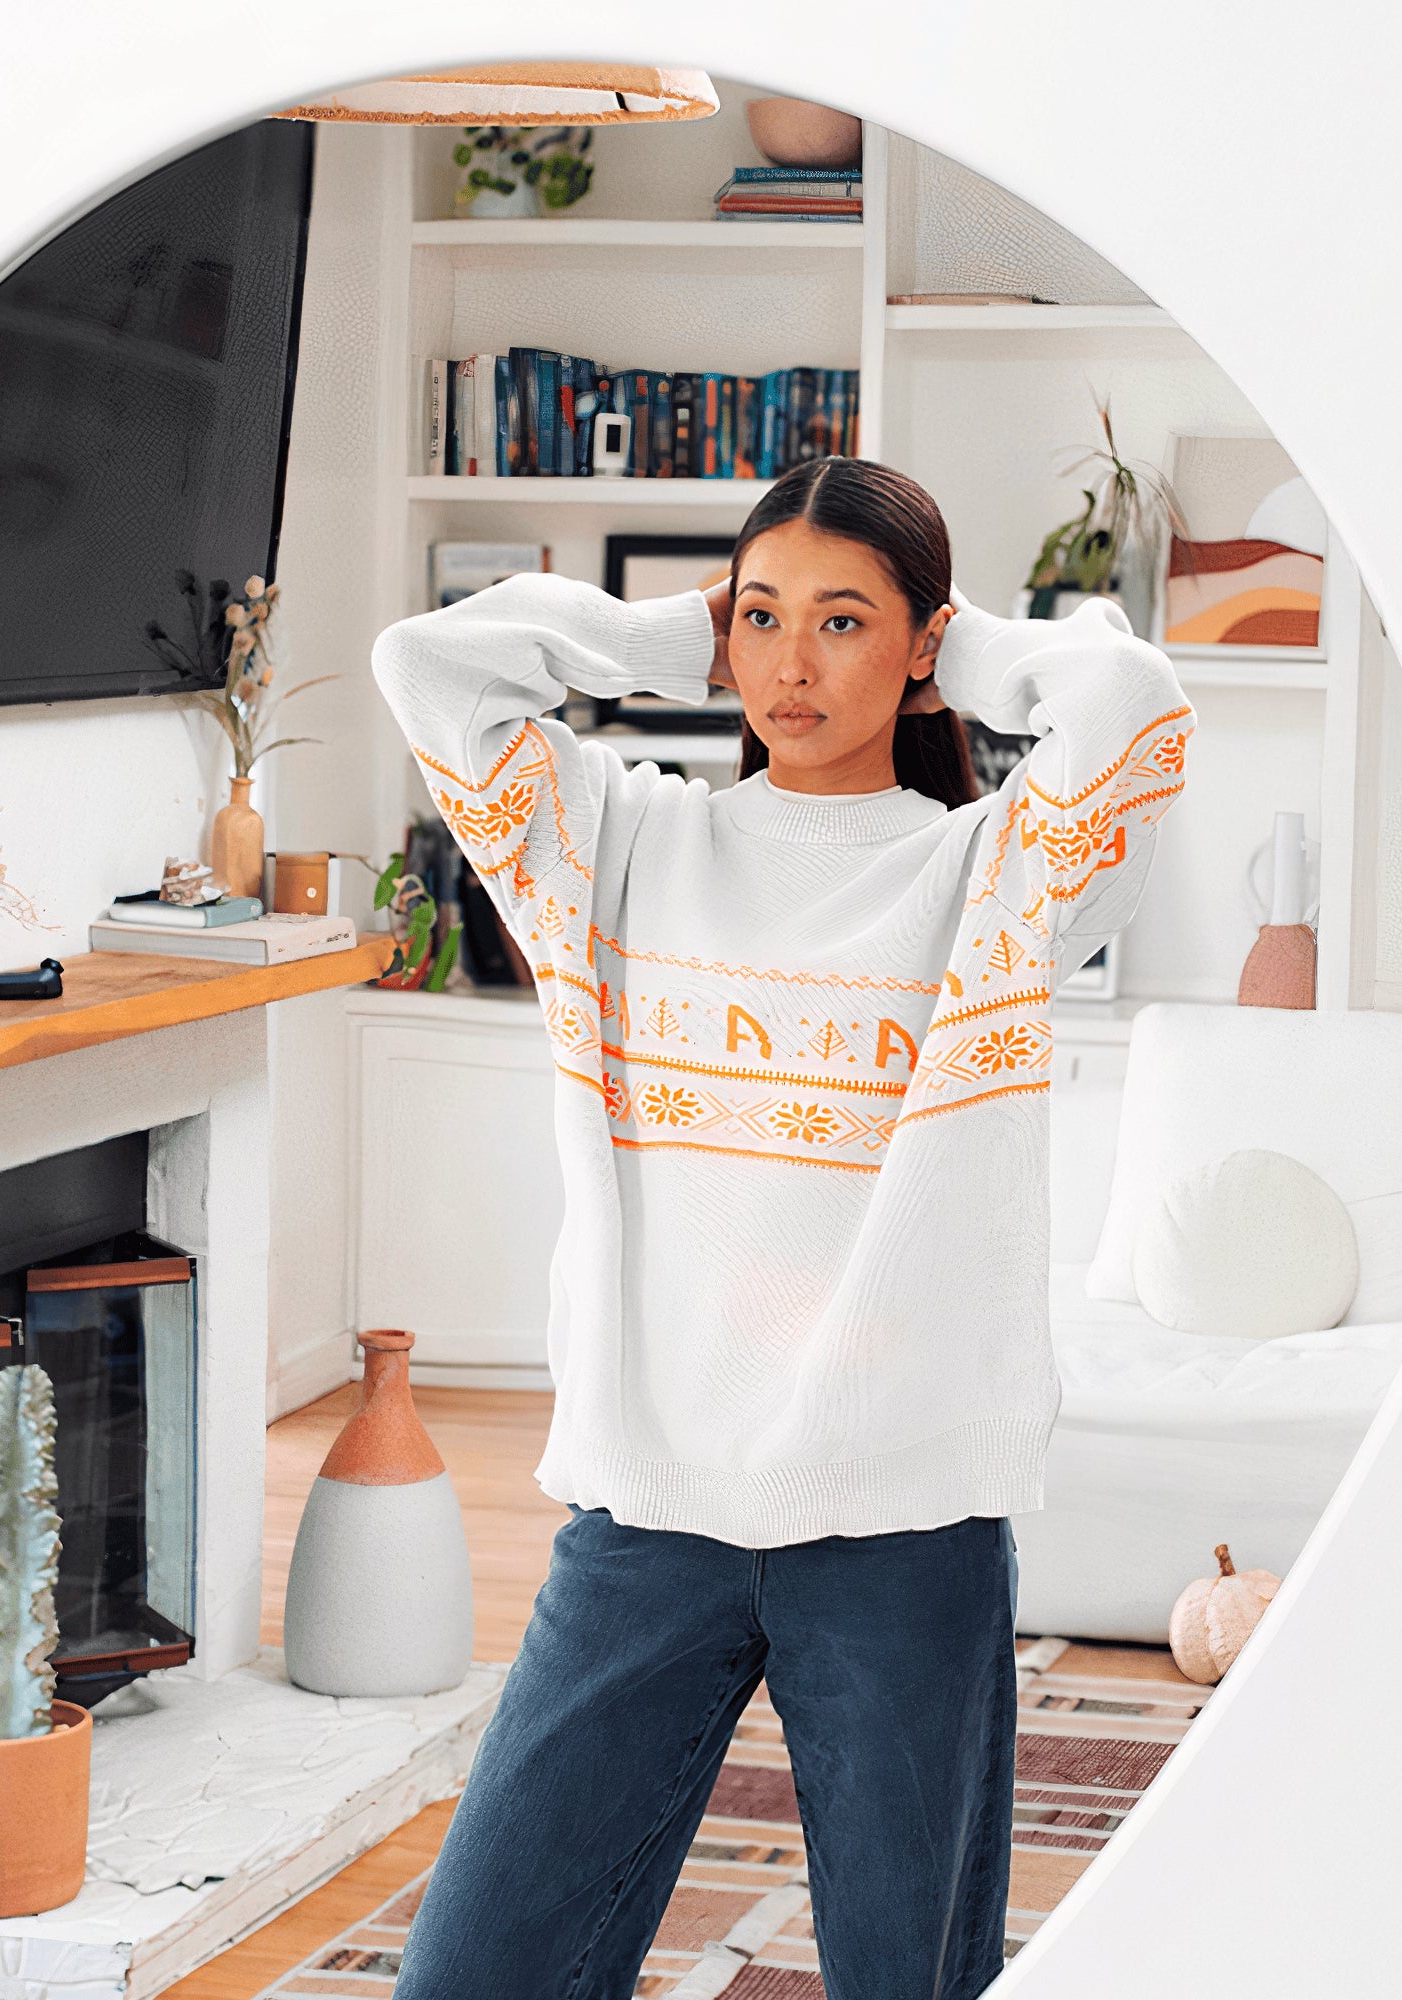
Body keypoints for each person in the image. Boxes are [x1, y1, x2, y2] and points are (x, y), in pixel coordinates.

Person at [371, 456, 1194, 1998]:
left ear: (920, 647)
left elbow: (1134, 701)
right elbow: (423, 665)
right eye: (761, 620)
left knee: (906, 1978)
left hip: (902, 1526)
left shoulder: (993, 879)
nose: (790, 665)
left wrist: (976, 645)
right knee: (475, 1975)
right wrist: (663, 634)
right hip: (648, 1517)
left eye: (841, 622)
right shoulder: (612, 848)